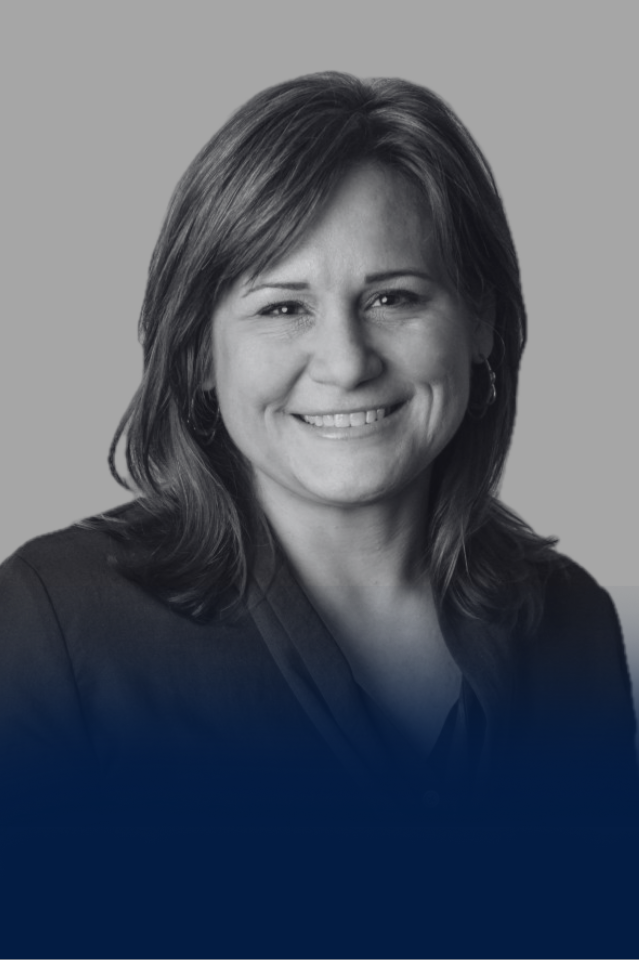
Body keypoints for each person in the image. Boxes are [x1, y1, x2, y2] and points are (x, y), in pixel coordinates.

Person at [1, 72, 637, 955]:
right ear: (198, 354)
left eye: (393, 298)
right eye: (282, 308)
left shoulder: (570, 623)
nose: (343, 362)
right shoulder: (53, 620)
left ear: (480, 321)